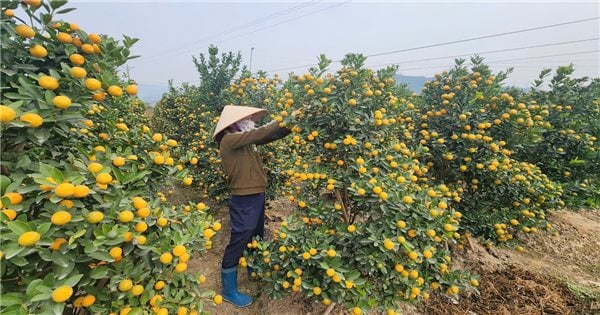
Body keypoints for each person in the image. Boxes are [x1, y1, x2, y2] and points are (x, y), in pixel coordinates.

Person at [212, 104, 291, 308]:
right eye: (245, 120)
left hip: (256, 194)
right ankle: (228, 290)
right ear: (234, 123)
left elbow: (266, 136)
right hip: (244, 198)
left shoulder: (243, 140)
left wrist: (290, 126)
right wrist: (288, 117)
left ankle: (254, 269)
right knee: (240, 238)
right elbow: (261, 132)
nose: (250, 122)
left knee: (256, 234)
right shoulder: (230, 140)